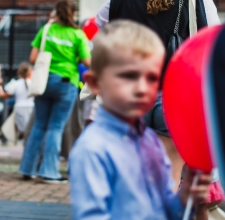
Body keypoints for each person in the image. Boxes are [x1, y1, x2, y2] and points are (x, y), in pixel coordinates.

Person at [69, 20, 212, 220]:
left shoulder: (150, 142)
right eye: (129, 76)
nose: (142, 88)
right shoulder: (93, 149)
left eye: (152, 78)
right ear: (95, 84)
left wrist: (184, 197)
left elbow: (164, 209)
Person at [19, 0, 91, 183]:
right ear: (73, 14)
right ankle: (49, 172)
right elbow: (87, 62)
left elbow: (33, 57)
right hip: (66, 83)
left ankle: (27, 168)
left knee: (39, 125)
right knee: (56, 127)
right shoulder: (77, 34)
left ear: (56, 12)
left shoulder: (46, 30)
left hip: (44, 82)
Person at [0, 62, 34, 137]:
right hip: (31, 108)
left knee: (22, 131)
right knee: (30, 130)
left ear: (19, 72)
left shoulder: (15, 84)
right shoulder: (33, 83)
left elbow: (4, 95)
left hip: (19, 108)